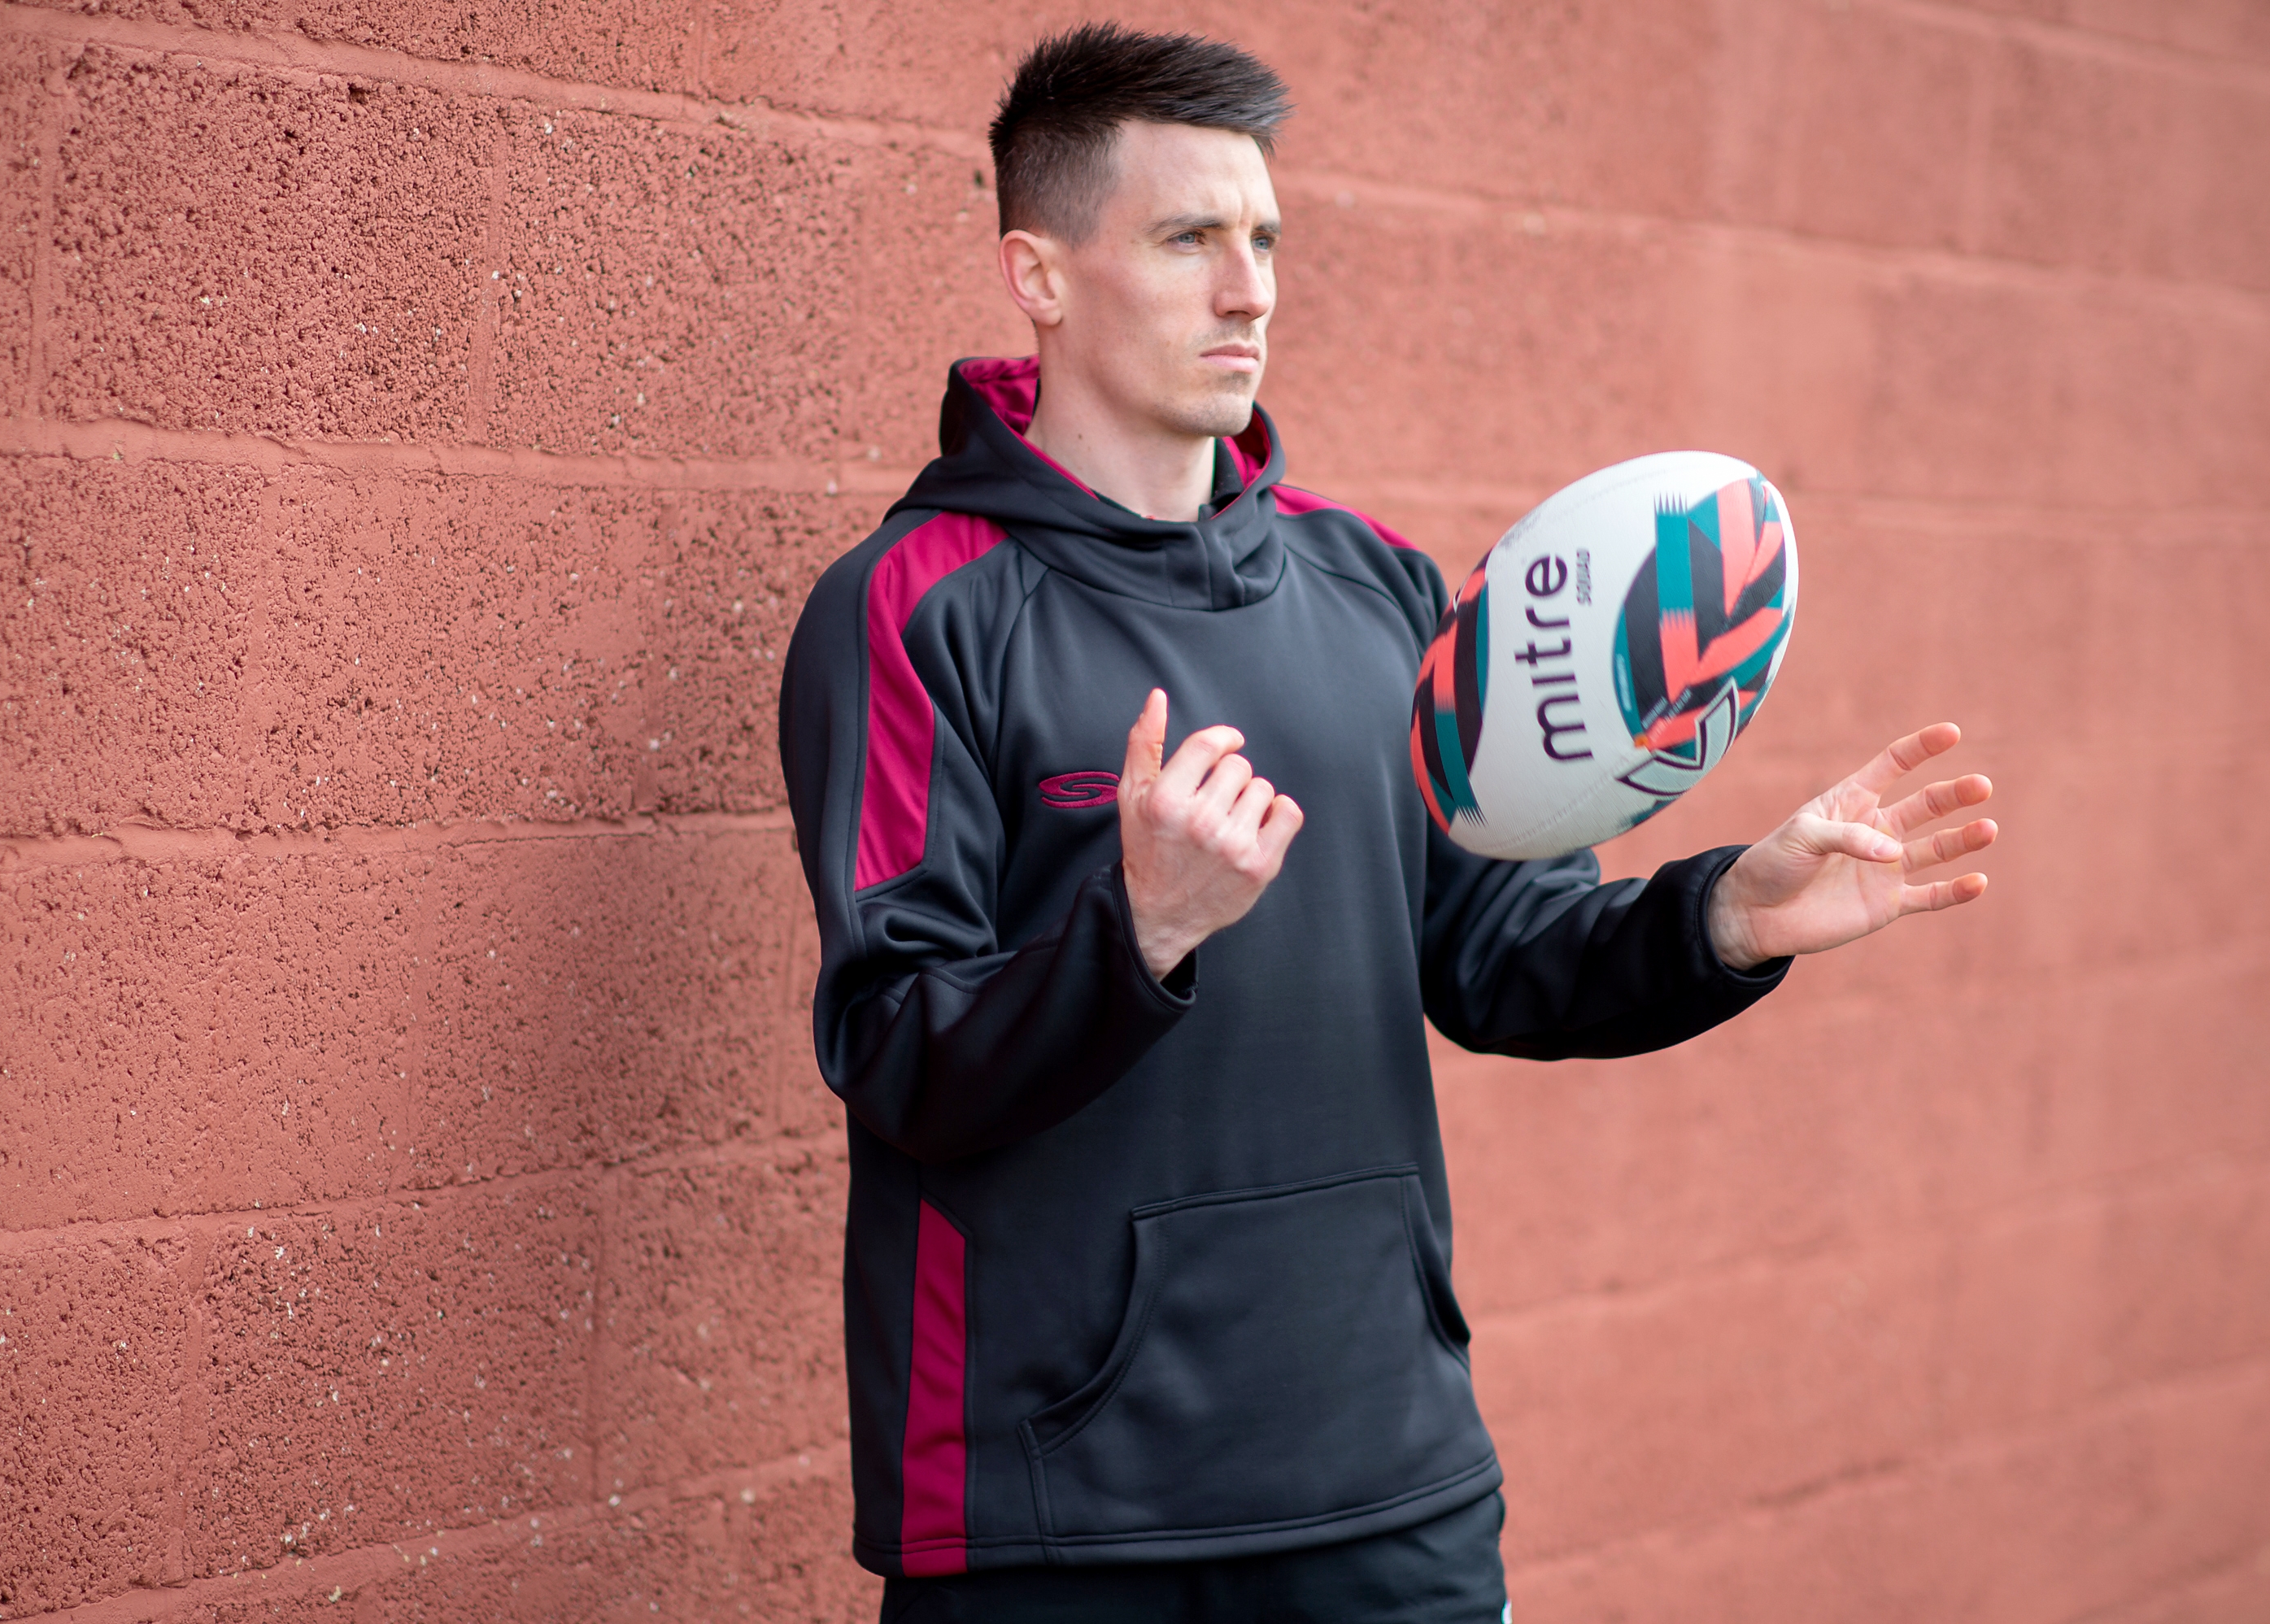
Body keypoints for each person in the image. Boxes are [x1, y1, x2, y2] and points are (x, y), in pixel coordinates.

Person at [778, 23, 1997, 1622]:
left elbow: (1502, 959)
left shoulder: (1383, 593)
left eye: (1266, 237)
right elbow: (896, 1048)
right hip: (1057, 1523)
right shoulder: (916, 611)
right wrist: (1138, 931)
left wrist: (1722, 919)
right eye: (1188, 237)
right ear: (1042, 273)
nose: (1250, 289)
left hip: (1388, 1491)